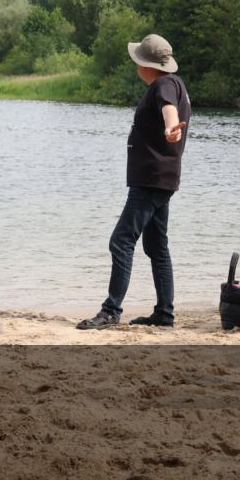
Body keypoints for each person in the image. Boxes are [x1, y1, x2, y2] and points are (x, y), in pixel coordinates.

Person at [77, 34, 190, 330]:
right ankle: (164, 314)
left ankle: (111, 311)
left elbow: (169, 110)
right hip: (162, 178)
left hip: (151, 179)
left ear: (146, 66)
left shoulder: (164, 85)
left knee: (121, 241)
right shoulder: (175, 83)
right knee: (156, 246)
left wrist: (170, 129)